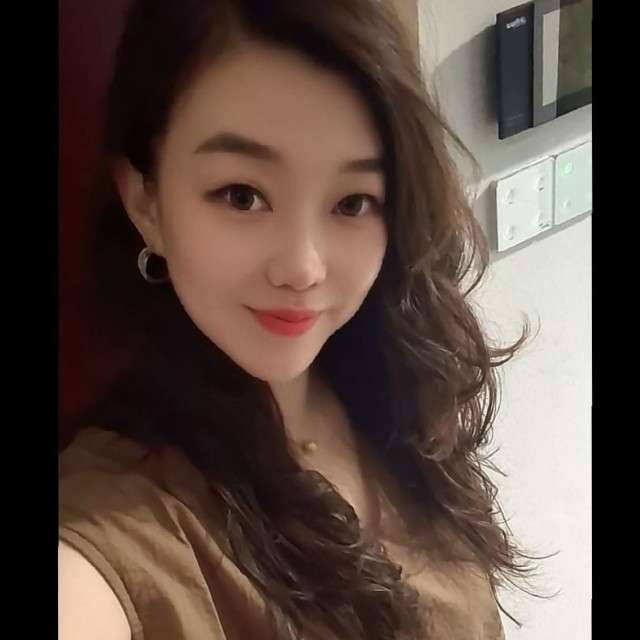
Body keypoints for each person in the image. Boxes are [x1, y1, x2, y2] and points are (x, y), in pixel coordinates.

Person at [58, 1, 533, 638]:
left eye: (352, 202)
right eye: (242, 196)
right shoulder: (121, 524)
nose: (303, 268)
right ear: (146, 202)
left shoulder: (392, 386)